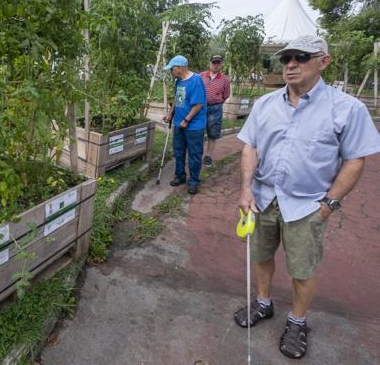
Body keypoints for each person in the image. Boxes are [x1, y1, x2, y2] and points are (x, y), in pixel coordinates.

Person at [235, 35, 380, 359]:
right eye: (286, 59)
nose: (291, 64)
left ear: (323, 61)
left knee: (302, 269)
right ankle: (263, 303)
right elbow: (250, 146)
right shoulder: (265, 105)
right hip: (263, 198)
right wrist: (245, 188)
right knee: (260, 256)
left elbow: (355, 158)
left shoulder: (347, 109)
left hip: (306, 205)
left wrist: (328, 204)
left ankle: (297, 321)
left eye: (301, 57)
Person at [163, 55, 207, 195]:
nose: (171, 72)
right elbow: (177, 98)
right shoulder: (178, 81)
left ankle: (194, 181)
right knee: (178, 152)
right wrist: (171, 114)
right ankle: (180, 175)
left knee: (194, 154)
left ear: (179, 68)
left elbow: (199, 104)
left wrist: (186, 120)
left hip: (193, 126)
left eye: (172, 69)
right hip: (178, 123)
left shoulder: (196, 81)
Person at [200, 54, 231, 167]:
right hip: (200, 108)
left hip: (215, 108)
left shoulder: (224, 80)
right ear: (210, 63)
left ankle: (208, 156)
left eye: (218, 63)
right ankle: (197, 154)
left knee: (212, 134)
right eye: (214, 62)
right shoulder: (201, 76)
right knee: (198, 131)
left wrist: (216, 103)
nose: (216, 65)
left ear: (221, 64)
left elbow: (226, 95)